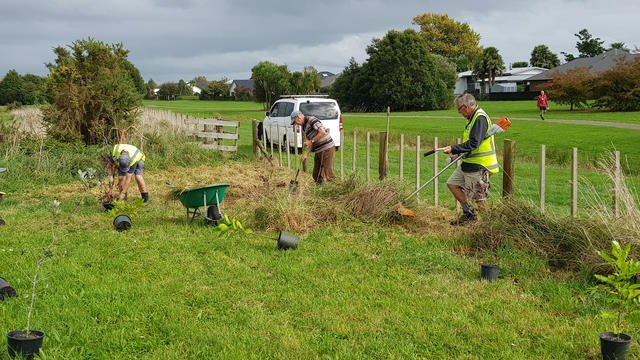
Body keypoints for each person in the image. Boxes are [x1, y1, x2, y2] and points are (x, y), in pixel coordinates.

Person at [442, 94, 499, 225]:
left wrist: (454, 148)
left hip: (479, 165)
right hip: (468, 163)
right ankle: (469, 214)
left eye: (459, 110)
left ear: (466, 107)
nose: (460, 113)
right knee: (453, 184)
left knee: (479, 198)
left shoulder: (480, 119)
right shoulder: (472, 118)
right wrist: (457, 154)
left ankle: (490, 227)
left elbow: (474, 143)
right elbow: (470, 143)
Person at [290, 110, 336, 184]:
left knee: (328, 172)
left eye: (295, 122)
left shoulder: (312, 120)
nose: (296, 124)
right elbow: (311, 143)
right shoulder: (305, 127)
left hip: (327, 148)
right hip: (319, 150)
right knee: (316, 174)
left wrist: (311, 141)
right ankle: (319, 189)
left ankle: (334, 189)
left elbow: (322, 132)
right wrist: (306, 154)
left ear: (299, 117)